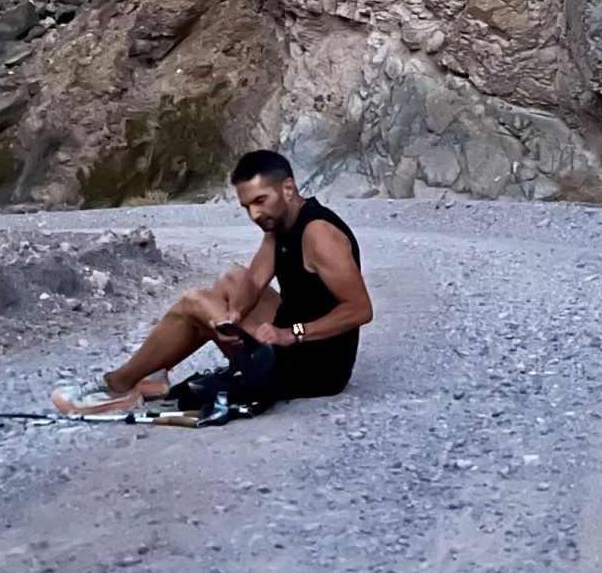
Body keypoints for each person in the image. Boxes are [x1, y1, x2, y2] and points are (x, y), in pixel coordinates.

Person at [51, 149, 372, 416]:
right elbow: (254, 280)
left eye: (261, 201)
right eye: (247, 207)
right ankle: (154, 372)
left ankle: (117, 386)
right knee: (232, 279)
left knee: (194, 303)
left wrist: (291, 334)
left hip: (316, 369)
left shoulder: (320, 234)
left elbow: (360, 310)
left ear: (288, 189)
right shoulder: (280, 226)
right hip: (296, 346)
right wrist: (230, 318)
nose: (255, 214)